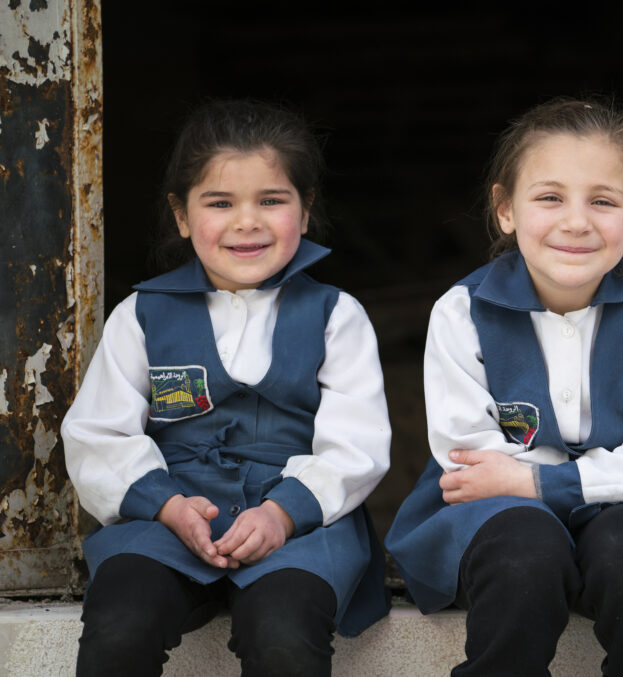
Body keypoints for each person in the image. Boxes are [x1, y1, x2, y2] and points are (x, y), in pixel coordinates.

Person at [386, 97, 623, 676]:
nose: (576, 221)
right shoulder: (462, 312)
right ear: (505, 209)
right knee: (525, 555)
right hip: (499, 514)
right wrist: (546, 487)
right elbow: (471, 462)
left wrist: (536, 478)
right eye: (549, 197)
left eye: (603, 201)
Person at [61, 100, 392, 677]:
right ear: (182, 215)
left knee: (285, 635)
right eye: (220, 203)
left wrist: (281, 515)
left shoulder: (336, 316)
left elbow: (357, 446)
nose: (247, 222)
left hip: (297, 528)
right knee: (120, 624)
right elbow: (98, 434)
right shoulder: (141, 315)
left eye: (272, 200)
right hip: (167, 518)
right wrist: (166, 506)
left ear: (305, 210)